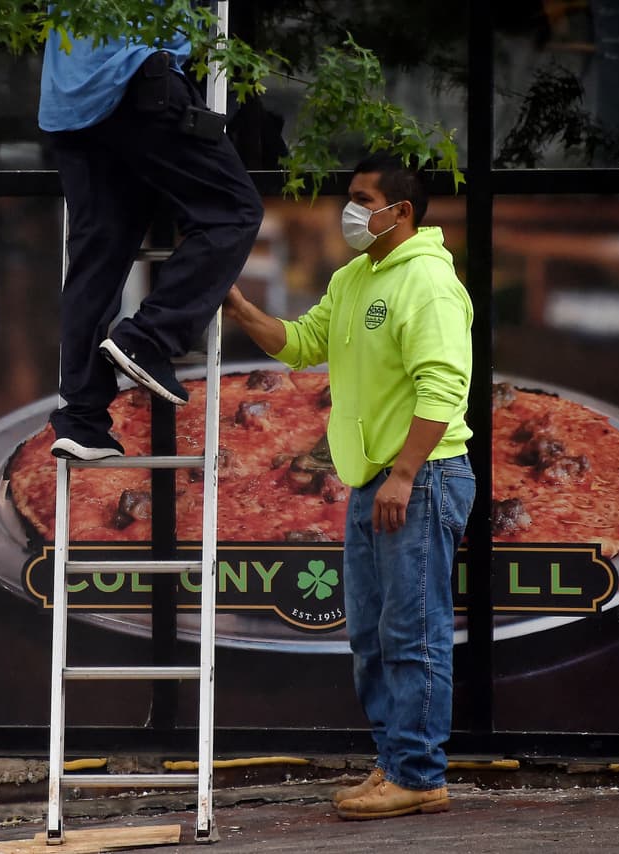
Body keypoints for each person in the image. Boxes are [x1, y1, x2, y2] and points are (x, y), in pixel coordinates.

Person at [223, 151, 476, 821]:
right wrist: (240, 305)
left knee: (414, 633)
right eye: (352, 196)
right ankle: (398, 761)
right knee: (370, 636)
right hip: (373, 482)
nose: (352, 209)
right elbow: (303, 342)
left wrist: (403, 473)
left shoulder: (427, 282)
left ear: (402, 211)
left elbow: (445, 386)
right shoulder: (357, 277)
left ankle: (419, 775)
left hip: (418, 480)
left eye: (364, 198)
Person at [38, 14, 264, 460]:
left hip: (69, 104)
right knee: (234, 212)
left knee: (95, 259)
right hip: (135, 77)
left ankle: (82, 420)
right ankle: (149, 338)